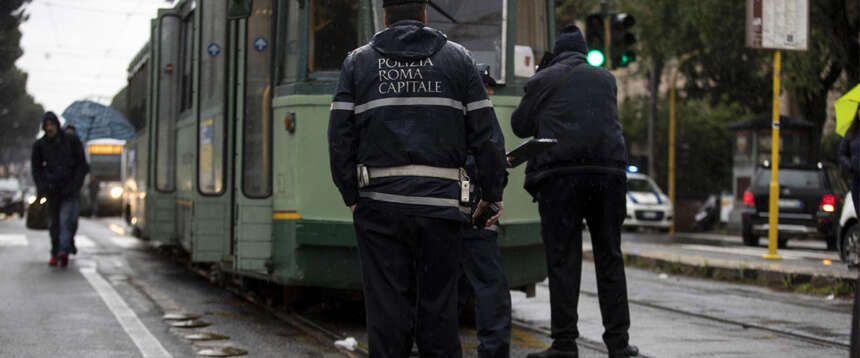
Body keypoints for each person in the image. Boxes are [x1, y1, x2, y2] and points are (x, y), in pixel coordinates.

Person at [327, 1, 507, 356]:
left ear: (384, 15)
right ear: (424, 15)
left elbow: (339, 137)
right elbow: (486, 136)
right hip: (442, 209)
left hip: (379, 208)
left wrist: (351, 194)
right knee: (439, 312)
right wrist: (491, 193)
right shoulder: (459, 60)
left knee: (386, 311)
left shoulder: (357, 63)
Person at [511, 25, 638, 358]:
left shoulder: (544, 79)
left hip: (561, 177)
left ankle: (565, 343)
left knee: (564, 259)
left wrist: (539, 77)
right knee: (609, 257)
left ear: (557, 51)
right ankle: (619, 344)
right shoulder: (607, 79)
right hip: (608, 175)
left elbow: (519, 125)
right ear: (583, 51)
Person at [457, 63, 511, 358]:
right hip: (473, 207)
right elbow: (488, 153)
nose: (491, 91)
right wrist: (494, 193)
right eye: (487, 86)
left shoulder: (443, 111)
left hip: (439, 208)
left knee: (442, 283)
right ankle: (493, 351)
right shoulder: (480, 111)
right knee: (490, 285)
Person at [32, 112, 89, 267]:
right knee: (53, 223)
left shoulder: (71, 140)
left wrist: (75, 184)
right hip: (52, 191)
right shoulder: (40, 145)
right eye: (47, 125)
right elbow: (36, 169)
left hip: (69, 190)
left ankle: (63, 250)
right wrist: (42, 188)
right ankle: (56, 250)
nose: (49, 128)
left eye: (52, 125)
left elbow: (81, 165)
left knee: (66, 221)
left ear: (57, 125)